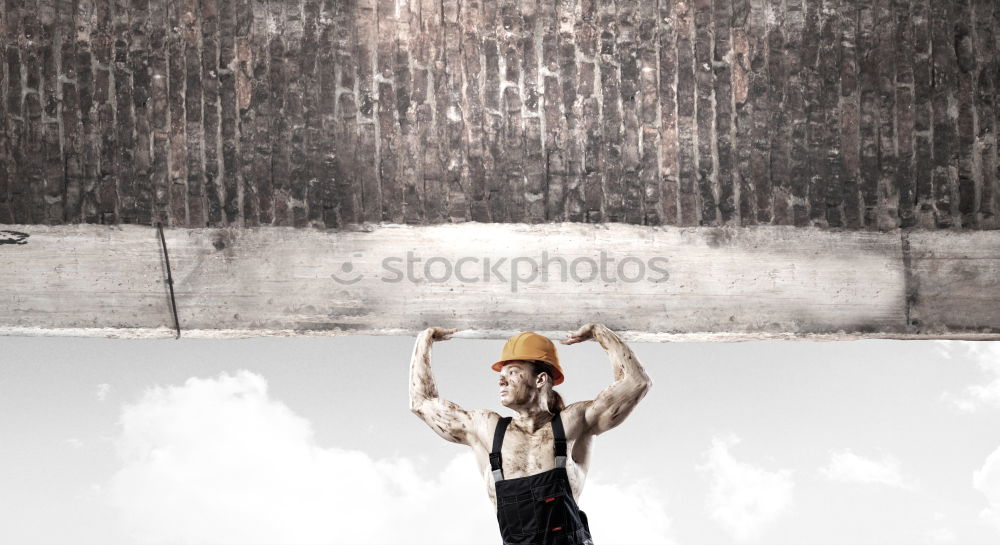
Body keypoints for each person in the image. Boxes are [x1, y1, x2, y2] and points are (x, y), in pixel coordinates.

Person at [409, 323, 653, 544]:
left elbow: (636, 382)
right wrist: (425, 338)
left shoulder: (573, 423)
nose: (501, 381)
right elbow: (422, 402)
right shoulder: (487, 429)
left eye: (513, 371)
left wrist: (599, 332)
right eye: (501, 375)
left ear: (540, 379)